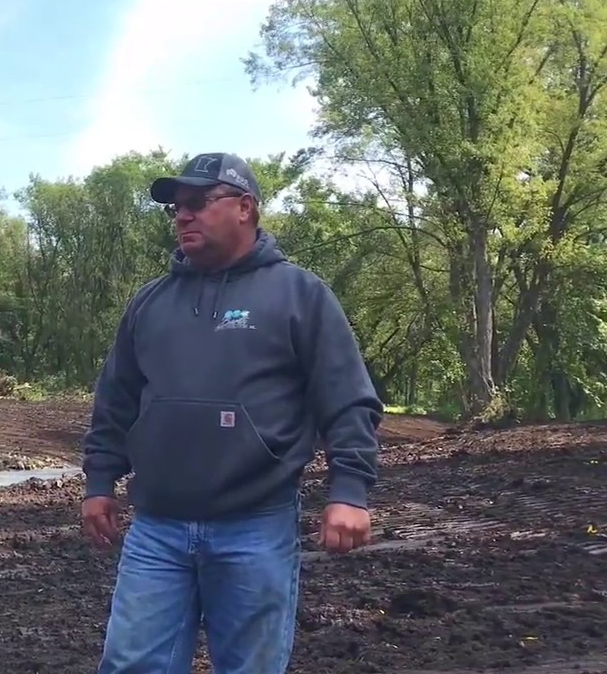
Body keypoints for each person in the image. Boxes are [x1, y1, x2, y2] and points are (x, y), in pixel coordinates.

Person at [80, 152, 382, 673]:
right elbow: (116, 399)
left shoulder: (300, 295)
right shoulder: (151, 302)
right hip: (158, 528)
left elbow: (347, 398)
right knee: (131, 664)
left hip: (256, 526)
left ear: (245, 207)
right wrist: (100, 481)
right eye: (177, 206)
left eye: (198, 202)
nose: (182, 215)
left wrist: (349, 492)